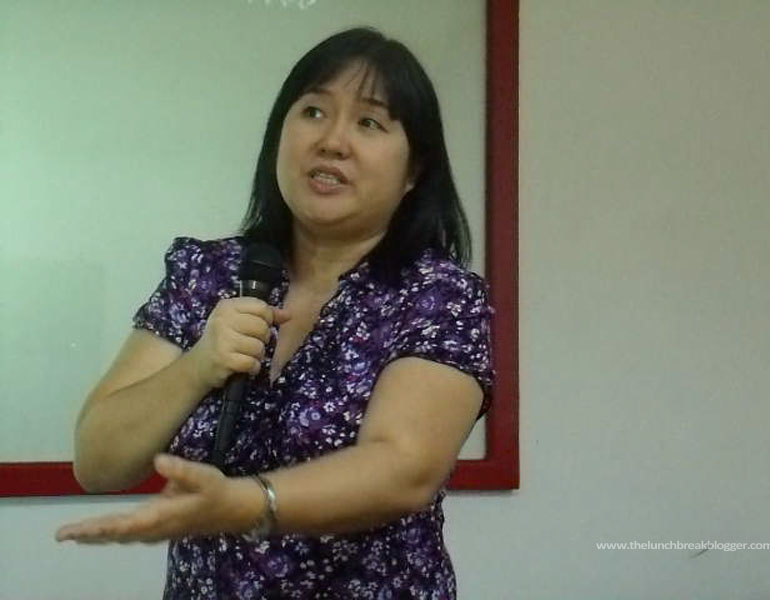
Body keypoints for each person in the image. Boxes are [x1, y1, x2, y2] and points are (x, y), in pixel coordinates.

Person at [56, 27, 494, 600]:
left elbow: (404, 469)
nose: (332, 141)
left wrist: (246, 503)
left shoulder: (437, 295)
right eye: (313, 112)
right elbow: (97, 462)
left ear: (414, 169)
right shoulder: (207, 274)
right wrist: (197, 367)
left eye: (369, 123)